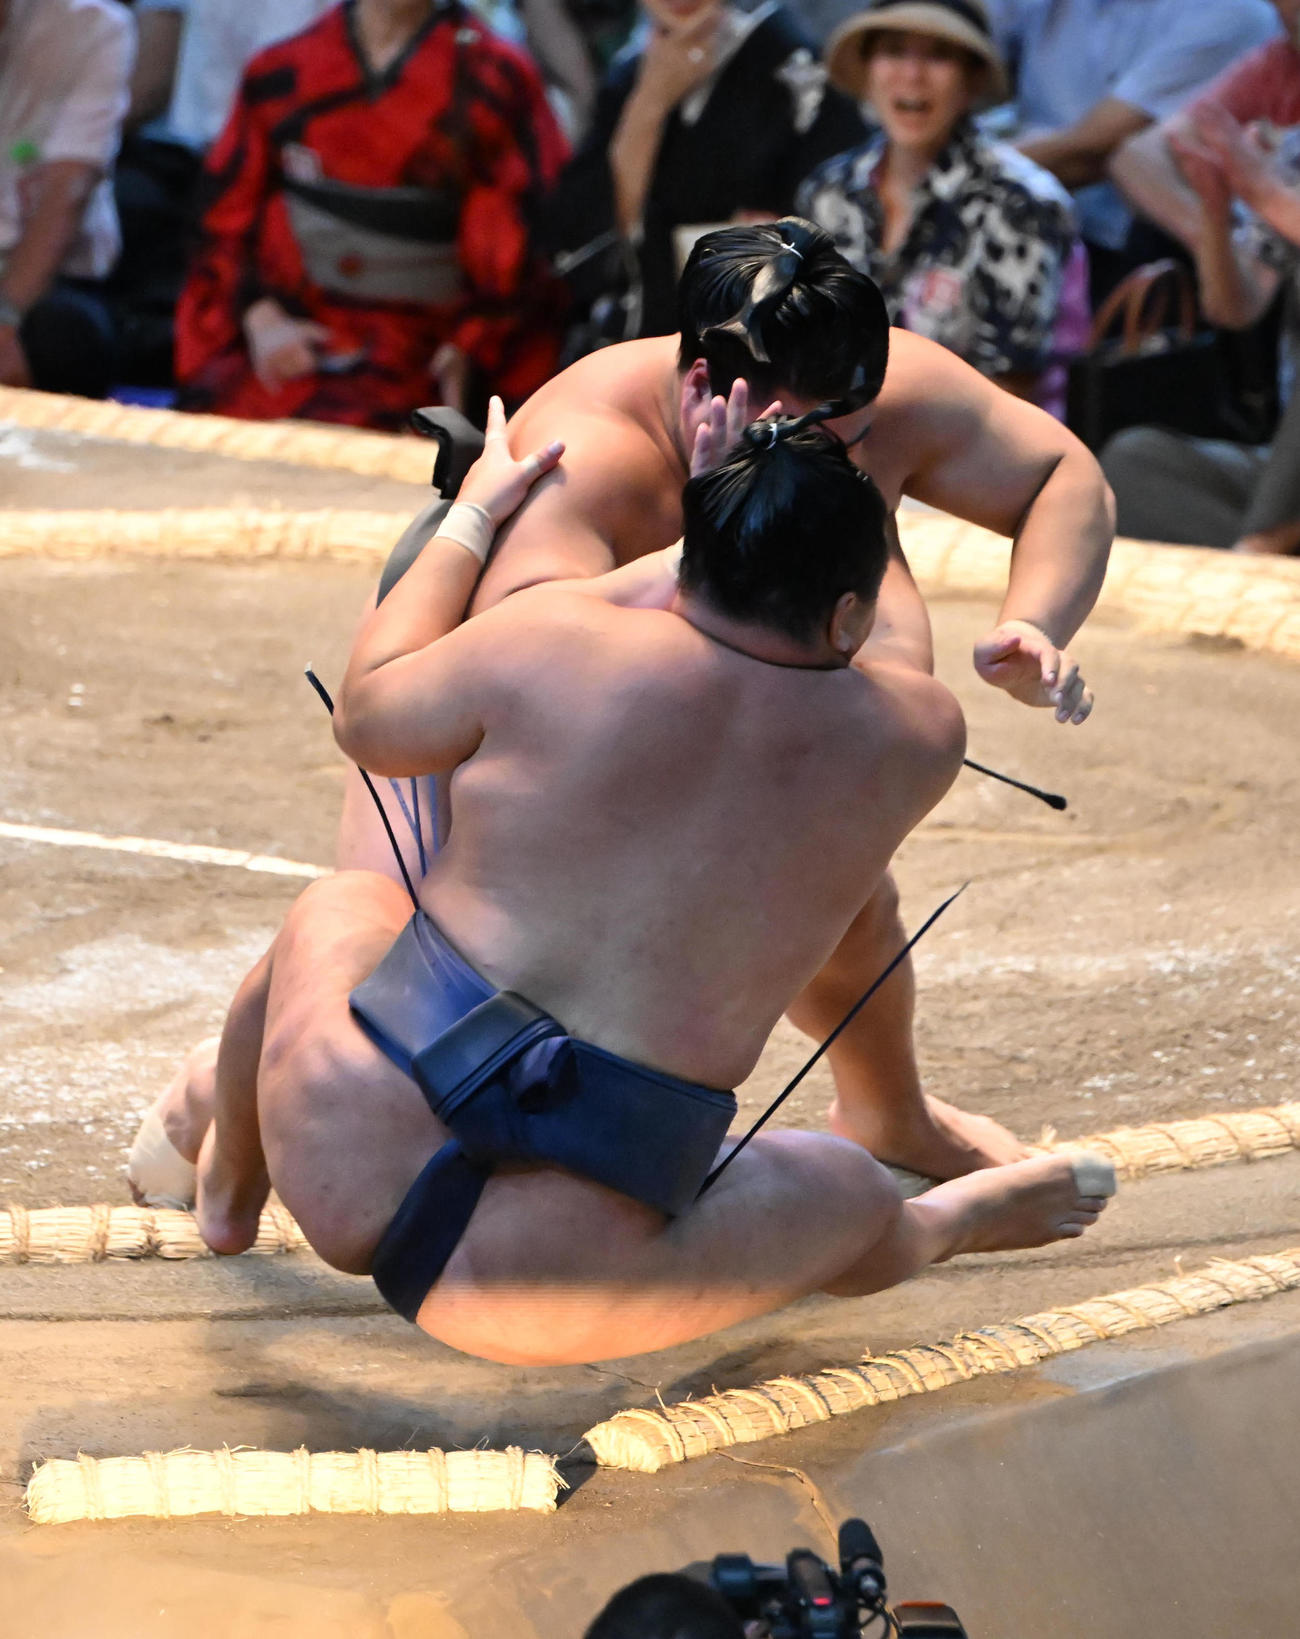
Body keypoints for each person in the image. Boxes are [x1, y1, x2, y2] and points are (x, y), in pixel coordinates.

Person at [130, 218, 1110, 1217]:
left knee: (840, 881)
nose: (820, 452)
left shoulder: (867, 398)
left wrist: (1032, 621)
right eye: (788, 430)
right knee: (409, 955)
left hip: (725, 702)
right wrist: (715, 541)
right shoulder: (584, 459)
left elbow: (1058, 474)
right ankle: (221, 1092)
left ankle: (887, 1110)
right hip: (468, 698)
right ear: (701, 384)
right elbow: (519, 691)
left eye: (841, 431)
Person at [174, 0, 568, 428]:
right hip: (294, 342)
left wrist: (469, 350)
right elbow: (223, 224)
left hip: (430, 354)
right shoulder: (279, 69)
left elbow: (525, 249)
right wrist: (259, 319)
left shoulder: (497, 78)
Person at [797, 0, 1077, 401]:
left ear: (972, 80)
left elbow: (1012, 390)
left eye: (939, 56)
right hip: (837, 437)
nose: (912, 75)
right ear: (869, 67)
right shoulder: (826, 190)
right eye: (894, 51)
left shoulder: (1022, 203)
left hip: (977, 449)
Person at [544, 0, 867, 343]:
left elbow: (841, 229)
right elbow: (582, 243)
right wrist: (648, 105)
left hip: (765, 343)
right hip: (645, 344)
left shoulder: (798, 70)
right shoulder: (626, 75)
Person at [1101, 106, 1300, 554]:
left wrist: (1261, 186)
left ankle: (1258, 553)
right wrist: (1213, 206)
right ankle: (1258, 562)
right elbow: (1235, 310)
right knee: (1132, 465)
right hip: (1282, 473)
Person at [986, 0, 1280, 303]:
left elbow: (1095, 151)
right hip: (1013, 215)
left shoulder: (1232, 13)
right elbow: (957, 49)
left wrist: (958, 166)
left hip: (1122, 251)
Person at [0, 0, 136, 398]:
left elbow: (66, 194)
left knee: (64, 339)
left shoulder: (94, 27)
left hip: (43, 280)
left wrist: (6, 318)